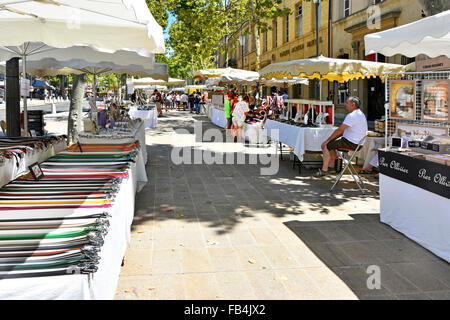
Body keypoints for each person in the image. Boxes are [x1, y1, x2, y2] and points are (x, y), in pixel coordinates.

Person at [314, 96, 368, 178]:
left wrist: (327, 141)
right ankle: (331, 167)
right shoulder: (360, 114)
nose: (345, 105)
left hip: (351, 143)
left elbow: (340, 130)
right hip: (356, 143)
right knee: (332, 144)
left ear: (353, 104)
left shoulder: (352, 115)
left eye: (347, 103)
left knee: (326, 145)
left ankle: (324, 170)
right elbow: (341, 131)